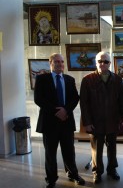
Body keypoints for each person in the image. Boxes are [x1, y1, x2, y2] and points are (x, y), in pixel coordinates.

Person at [34, 53, 85, 188]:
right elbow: (38, 99)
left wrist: (65, 110)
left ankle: (73, 173)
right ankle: (51, 179)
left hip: (66, 121)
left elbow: (75, 98)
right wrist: (56, 111)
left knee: (69, 151)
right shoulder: (41, 79)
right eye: (57, 61)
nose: (60, 64)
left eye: (62, 62)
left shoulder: (69, 79)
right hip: (49, 122)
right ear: (50, 62)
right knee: (50, 153)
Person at [80, 51, 123, 183]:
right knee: (96, 148)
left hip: (113, 119)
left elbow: (121, 100)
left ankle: (112, 170)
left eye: (105, 61)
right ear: (96, 63)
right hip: (95, 121)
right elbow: (84, 103)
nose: (102, 64)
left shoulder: (117, 79)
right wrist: (87, 122)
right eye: (100, 61)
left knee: (112, 147)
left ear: (110, 63)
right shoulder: (87, 80)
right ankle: (97, 172)